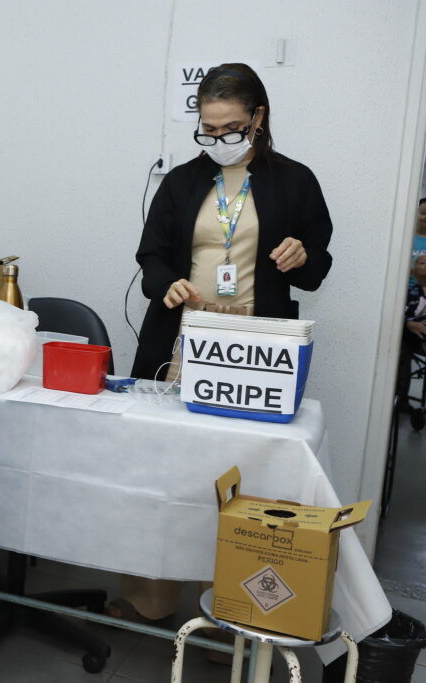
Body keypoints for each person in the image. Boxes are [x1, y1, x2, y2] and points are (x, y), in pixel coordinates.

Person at [121, 63, 334, 625]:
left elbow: (316, 267)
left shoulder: (295, 181)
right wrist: (167, 283)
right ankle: (151, 597)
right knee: (167, 469)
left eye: (231, 128)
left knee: (239, 479)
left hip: (255, 348)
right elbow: (150, 256)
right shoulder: (183, 182)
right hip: (183, 343)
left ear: (258, 118)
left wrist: (303, 256)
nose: (219, 141)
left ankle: (235, 608)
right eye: (208, 130)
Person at [396, 254, 426, 411]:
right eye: (422, 263)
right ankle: (402, 400)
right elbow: (400, 316)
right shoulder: (408, 293)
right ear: (413, 271)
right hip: (411, 339)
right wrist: (409, 324)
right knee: (403, 355)